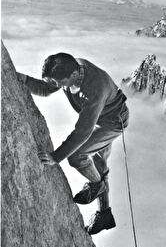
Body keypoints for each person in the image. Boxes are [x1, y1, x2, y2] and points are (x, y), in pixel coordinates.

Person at [17, 52, 129, 235]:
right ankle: (105, 215)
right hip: (98, 118)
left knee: (78, 156)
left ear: (74, 76)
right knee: (99, 164)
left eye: (59, 83)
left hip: (113, 122)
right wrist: (23, 80)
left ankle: (97, 185)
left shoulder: (94, 89)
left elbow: (83, 132)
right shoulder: (68, 70)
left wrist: (56, 157)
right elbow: (46, 89)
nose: (57, 87)